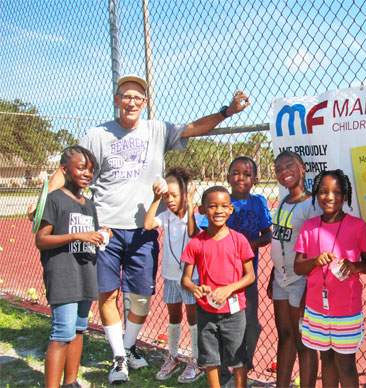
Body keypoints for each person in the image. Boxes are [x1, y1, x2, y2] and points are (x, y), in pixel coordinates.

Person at [33, 74, 250, 383]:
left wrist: (227, 111)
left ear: (145, 103)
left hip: (142, 230)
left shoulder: (157, 129)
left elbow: (194, 128)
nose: (132, 101)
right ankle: (120, 358)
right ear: (116, 99)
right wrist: (43, 206)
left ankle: (129, 346)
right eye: (126, 96)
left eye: (138, 97)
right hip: (106, 228)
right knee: (107, 295)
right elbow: (65, 168)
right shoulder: (97, 134)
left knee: (141, 299)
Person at [294, 169, 366, 387]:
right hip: (317, 308)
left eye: (337, 192)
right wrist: (314, 261)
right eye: (323, 191)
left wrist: (355, 266)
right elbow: (298, 267)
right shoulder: (309, 227)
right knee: (326, 359)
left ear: (345, 195)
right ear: (316, 195)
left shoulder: (357, 226)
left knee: (346, 364)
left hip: (346, 310)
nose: (330, 197)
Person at [34, 146, 104, 388]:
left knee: (78, 330)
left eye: (91, 170)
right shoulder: (55, 200)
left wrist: (101, 236)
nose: (87, 173)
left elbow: (89, 235)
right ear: (65, 169)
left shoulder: (90, 204)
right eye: (81, 168)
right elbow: (41, 240)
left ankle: (71, 382)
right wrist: (77, 237)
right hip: (63, 275)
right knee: (62, 333)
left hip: (85, 274)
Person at [181, 186, 255, 388]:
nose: (219, 211)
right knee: (210, 359)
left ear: (231, 209)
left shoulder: (239, 240)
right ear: (203, 210)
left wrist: (229, 288)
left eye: (224, 206)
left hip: (234, 312)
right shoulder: (196, 243)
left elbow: (250, 276)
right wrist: (194, 288)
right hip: (206, 312)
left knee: (238, 359)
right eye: (212, 206)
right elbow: (185, 280)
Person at [268, 150, 321, 387]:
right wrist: (272, 272)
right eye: (279, 169)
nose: (284, 172)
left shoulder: (312, 205)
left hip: (302, 280)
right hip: (281, 278)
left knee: (303, 341)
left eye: (289, 166)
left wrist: (311, 287)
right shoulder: (283, 202)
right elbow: (279, 242)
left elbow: (317, 251)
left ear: (303, 168)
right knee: (285, 336)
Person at [143, 167, 200, 383]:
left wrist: (192, 204)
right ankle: (173, 356)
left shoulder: (194, 215)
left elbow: (194, 234)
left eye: (174, 195)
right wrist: (156, 198)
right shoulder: (165, 215)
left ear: (186, 193)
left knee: (193, 317)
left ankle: (196, 359)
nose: (170, 200)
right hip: (170, 276)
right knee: (174, 316)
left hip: (192, 277)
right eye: (167, 195)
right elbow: (148, 224)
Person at [225, 156, 272, 372]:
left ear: (255, 179)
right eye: (235, 172)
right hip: (223, 275)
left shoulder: (258, 202)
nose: (240, 177)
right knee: (225, 321)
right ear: (228, 177)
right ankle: (227, 364)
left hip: (247, 275)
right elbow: (207, 232)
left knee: (250, 320)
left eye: (247, 174)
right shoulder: (221, 200)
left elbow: (268, 235)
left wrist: (250, 244)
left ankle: (247, 361)